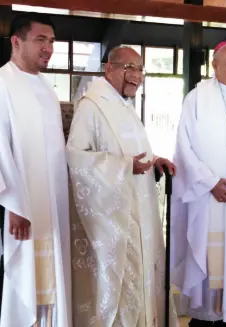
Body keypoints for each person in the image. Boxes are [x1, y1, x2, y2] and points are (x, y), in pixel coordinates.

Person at [67, 46, 179, 327]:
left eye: (141, 69)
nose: (137, 76)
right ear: (109, 69)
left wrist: (154, 162)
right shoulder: (91, 106)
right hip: (115, 218)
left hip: (140, 213)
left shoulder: (124, 106)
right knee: (123, 280)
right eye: (130, 68)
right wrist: (124, 166)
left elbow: (134, 153)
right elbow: (76, 158)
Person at [0, 12, 72, 327]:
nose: (48, 48)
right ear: (16, 41)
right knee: (24, 274)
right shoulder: (3, 83)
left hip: (51, 202)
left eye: (52, 41)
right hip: (17, 203)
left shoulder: (46, 87)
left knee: (50, 270)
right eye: (40, 40)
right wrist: (13, 204)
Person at [171, 40, 226, 327]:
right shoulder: (197, 98)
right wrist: (210, 182)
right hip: (210, 197)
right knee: (211, 261)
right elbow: (184, 147)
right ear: (214, 65)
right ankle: (206, 319)